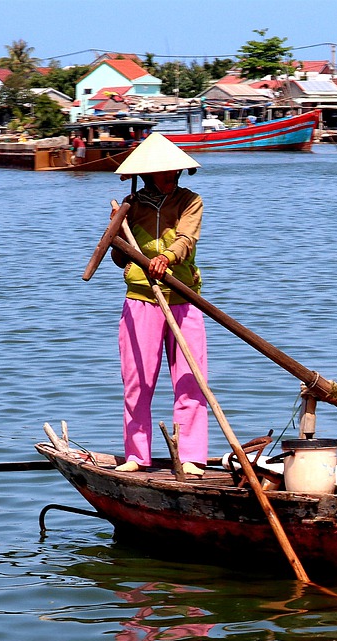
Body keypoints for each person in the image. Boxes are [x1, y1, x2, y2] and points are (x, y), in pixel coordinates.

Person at [108, 133, 208, 476]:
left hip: (183, 296)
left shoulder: (190, 201)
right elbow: (119, 260)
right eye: (165, 172)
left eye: (175, 172)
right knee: (138, 382)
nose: (173, 177)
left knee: (191, 379)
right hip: (141, 300)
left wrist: (166, 257)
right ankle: (137, 455)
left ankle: (192, 456)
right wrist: (116, 233)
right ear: (149, 174)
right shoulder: (129, 205)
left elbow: (186, 239)